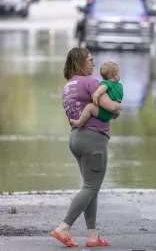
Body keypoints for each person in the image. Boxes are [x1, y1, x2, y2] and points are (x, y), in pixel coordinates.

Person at [50, 47, 122, 248]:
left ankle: (92, 235)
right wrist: (117, 107)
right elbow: (110, 106)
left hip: (76, 139)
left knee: (92, 187)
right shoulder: (90, 82)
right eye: (90, 60)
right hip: (94, 139)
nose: (93, 63)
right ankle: (64, 227)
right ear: (81, 62)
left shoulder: (68, 86)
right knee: (91, 186)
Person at [70, 61, 123, 128]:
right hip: (113, 113)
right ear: (115, 74)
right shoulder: (120, 86)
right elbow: (117, 99)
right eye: (119, 73)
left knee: (89, 107)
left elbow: (103, 88)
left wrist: (96, 95)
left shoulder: (106, 83)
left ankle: (79, 122)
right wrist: (117, 111)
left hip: (104, 112)